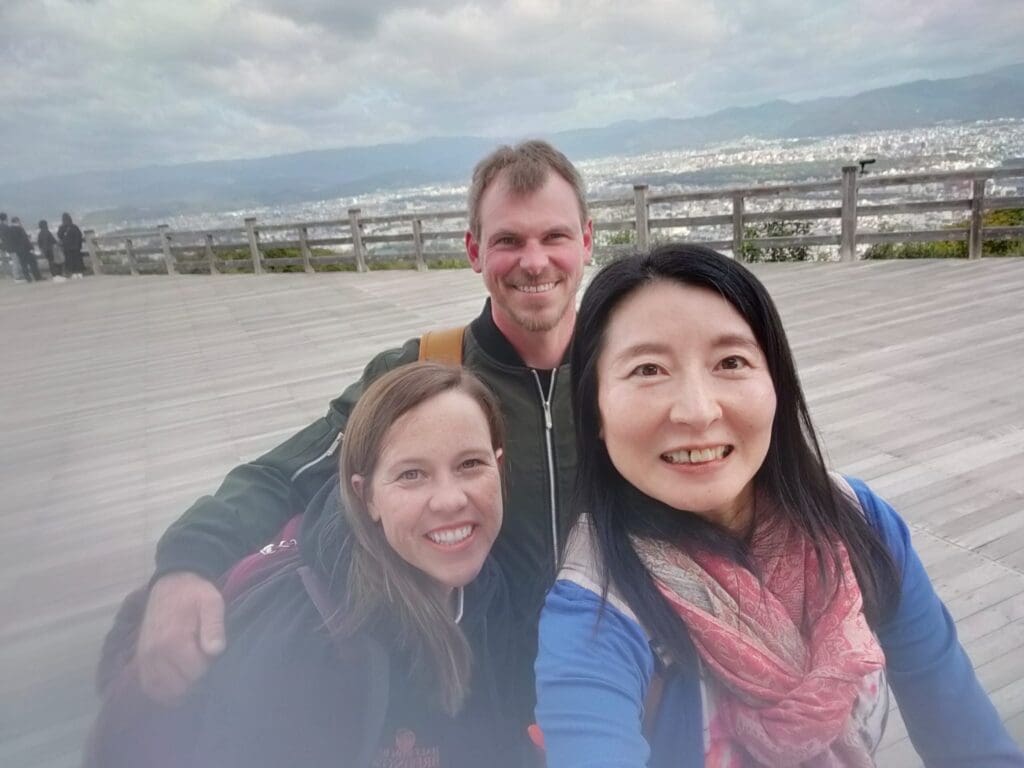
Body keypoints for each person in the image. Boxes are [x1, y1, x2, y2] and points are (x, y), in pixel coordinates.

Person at [128, 140, 591, 720]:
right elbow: (284, 473)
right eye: (508, 240)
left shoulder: (629, 370)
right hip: (469, 684)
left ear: (586, 242)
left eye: (554, 236)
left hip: (608, 679)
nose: (534, 260)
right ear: (474, 250)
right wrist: (188, 564)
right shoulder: (424, 371)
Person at [534, 244, 1024, 767]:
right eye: (648, 370)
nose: (698, 411)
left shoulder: (856, 523)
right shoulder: (596, 612)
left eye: (731, 361)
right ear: (595, 412)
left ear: (776, 383)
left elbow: (968, 741)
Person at [87, 362, 533, 768]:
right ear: (365, 496)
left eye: (470, 464)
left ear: (498, 466)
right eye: (411, 474)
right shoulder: (308, 650)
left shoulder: (488, 589)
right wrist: (188, 559)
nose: (451, 499)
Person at [8, 216, 42, 282]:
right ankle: (37, 277)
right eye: (19, 221)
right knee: (33, 262)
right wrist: (31, 247)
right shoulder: (20, 229)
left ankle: (28, 278)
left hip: (18, 250)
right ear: (17, 221)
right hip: (25, 249)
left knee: (23, 264)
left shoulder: (10, 230)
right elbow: (25, 240)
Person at [57, 211, 85, 278]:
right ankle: (79, 272)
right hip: (76, 247)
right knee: (77, 260)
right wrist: (78, 244)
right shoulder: (74, 227)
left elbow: (59, 236)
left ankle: (73, 273)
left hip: (67, 248)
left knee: (69, 261)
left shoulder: (62, 228)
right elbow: (79, 235)